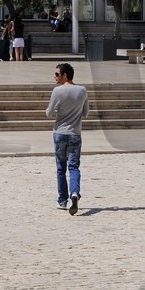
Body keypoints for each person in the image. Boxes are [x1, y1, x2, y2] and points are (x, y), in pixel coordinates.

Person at [46, 62, 89, 215]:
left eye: (57, 74)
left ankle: (62, 200)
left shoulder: (57, 91)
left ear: (65, 75)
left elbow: (49, 113)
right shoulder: (82, 90)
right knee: (74, 167)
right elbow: (85, 113)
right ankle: (74, 193)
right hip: (75, 133)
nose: (55, 77)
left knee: (60, 168)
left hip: (60, 133)